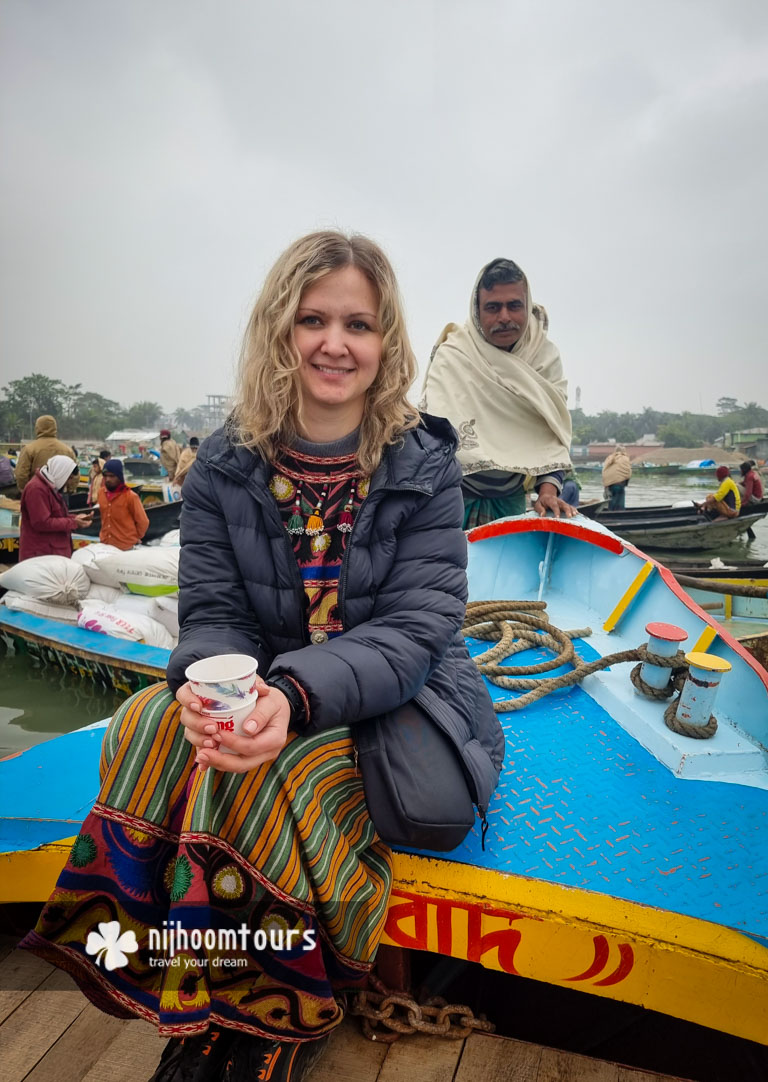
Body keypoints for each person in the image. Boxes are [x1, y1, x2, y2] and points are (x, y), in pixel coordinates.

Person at [20, 231, 504, 1082]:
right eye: (313, 319)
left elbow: (416, 629)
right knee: (148, 725)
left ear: (385, 340)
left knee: (270, 772)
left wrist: (291, 699)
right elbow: (211, 616)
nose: (334, 342)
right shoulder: (223, 466)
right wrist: (219, 692)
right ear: (280, 329)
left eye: (359, 323)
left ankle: (276, 1008)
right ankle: (193, 985)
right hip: (270, 686)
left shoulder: (425, 465)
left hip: (392, 695)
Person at [420, 258, 573, 528]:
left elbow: (552, 435)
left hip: (512, 500)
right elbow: (431, 435)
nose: (504, 317)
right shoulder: (453, 355)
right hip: (451, 499)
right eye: (493, 307)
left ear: (528, 306)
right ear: (477, 311)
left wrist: (548, 492)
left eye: (514, 306)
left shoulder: (544, 359)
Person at [18, 455, 93, 560]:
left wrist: (76, 518)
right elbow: (41, 523)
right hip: (40, 554)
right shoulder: (36, 489)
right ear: (61, 473)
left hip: (52, 552)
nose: (69, 482)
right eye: (69, 478)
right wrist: (74, 523)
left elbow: (56, 516)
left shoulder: (51, 487)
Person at [14, 415, 78, 493]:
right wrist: (70, 491)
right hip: (59, 496)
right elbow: (75, 475)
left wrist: (26, 491)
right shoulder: (68, 451)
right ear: (55, 428)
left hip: (36, 494)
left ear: (37, 428)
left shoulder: (29, 449)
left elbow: (21, 474)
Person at [97, 458, 150, 549]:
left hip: (125, 546)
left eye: (112, 476)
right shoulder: (101, 493)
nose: (108, 479)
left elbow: (143, 522)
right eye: (105, 476)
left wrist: (136, 537)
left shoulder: (131, 497)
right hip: (105, 544)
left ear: (120, 476)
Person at [601, 446, 632, 510]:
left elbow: (605, 471)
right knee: (620, 505)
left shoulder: (610, 458)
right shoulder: (625, 458)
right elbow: (628, 472)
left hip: (610, 485)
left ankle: (611, 514)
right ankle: (619, 515)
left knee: (611, 503)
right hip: (620, 485)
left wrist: (606, 485)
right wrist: (626, 483)